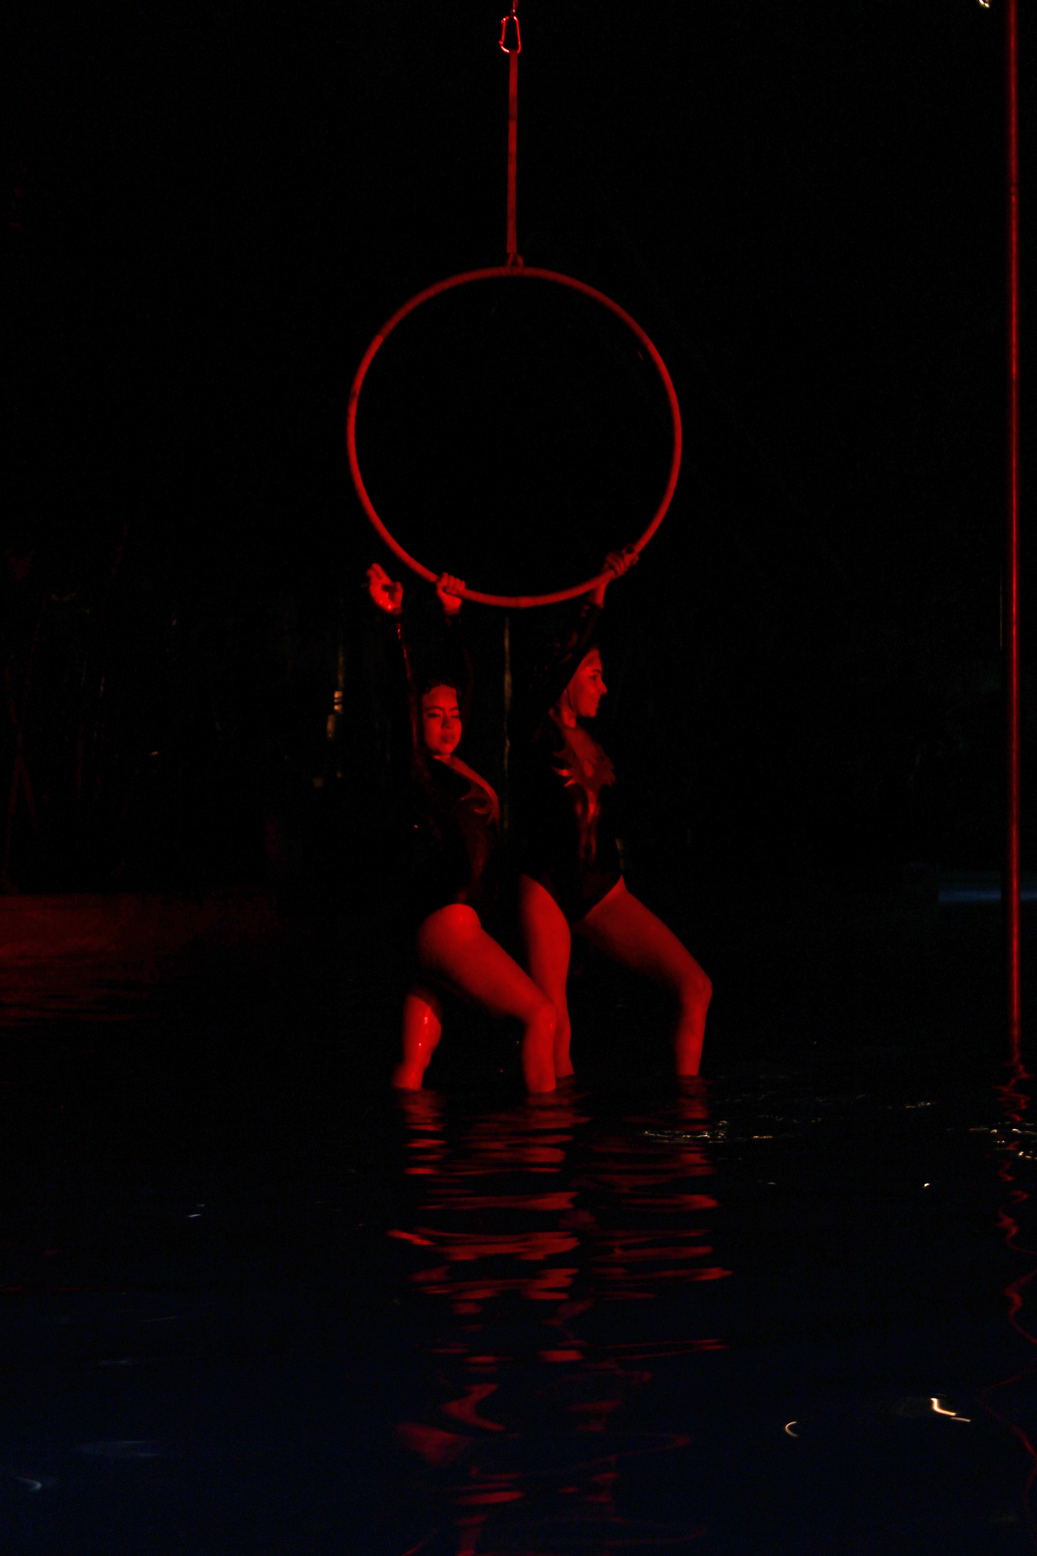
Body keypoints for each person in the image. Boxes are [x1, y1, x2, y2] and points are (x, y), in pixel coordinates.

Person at [511, 548, 711, 1080]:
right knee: (555, 1025)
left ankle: (686, 1113)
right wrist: (598, 593)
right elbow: (561, 658)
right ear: (567, 678)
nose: (602, 686)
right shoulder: (534, 732)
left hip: (601, 886)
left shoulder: (596, 744)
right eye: (593, 675)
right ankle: (553, 1126)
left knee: (695, 986)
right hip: (547, 885)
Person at [367, 561, 557, 1093]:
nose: (449, 723)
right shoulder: (419, 772)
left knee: (413, 1065)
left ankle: (411, 1144)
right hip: (449, 928)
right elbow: (404, 694)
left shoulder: (457, 768)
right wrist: (395, 621)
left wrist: (452, 618)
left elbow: (463, 686)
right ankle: (545, 1139)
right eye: (435, 716)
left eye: (453, 715)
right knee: (540, 1017)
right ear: (418, 722)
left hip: (438, 930)